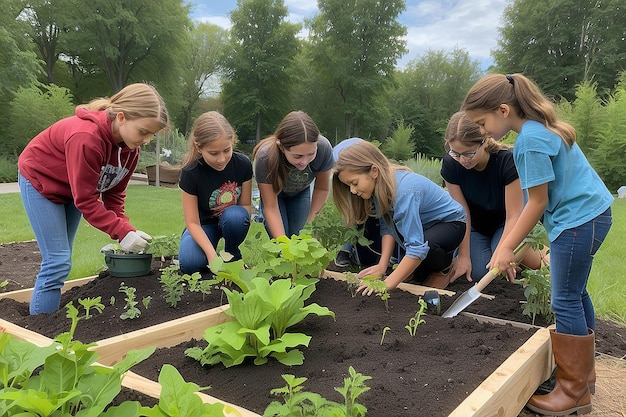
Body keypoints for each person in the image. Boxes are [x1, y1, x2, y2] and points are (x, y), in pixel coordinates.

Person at [462, 73, 613, 416]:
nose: (482, 132)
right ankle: (583, 380)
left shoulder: (529, 141)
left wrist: (504, 247)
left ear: (503, 110)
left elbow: (537, 202)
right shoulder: (541, 128)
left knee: (564, 299)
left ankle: (572, 393)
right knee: (576, 294)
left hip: (577, 222)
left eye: (482, 123)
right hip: (592, 214)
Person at [18, 83, 169, 315]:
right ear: (121, 118)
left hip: (73, 189)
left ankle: (45, 325)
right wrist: (120, 231)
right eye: (143, 131)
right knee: (56, 262)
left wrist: (126, 228)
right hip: (40, 180)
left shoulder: (130, 149)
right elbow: (86, 201)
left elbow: (113, 193)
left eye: (151, 134)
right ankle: (40, 334)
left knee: (61, 260)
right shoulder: (86, 138)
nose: (147, 139)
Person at [332, 140, 466, 291]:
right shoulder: (379, 188)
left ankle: (443, 268)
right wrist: (382, 266)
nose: (352, 191)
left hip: (451, 223)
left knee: (427, 245)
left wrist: (387, 284)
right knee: (406, 239)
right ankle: (421, 272)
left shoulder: (404, 192)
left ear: (374, 171)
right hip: (424, 225)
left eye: (354, 183)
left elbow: (416, 247)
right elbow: (387, 228)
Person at [442, 111, 544, 283]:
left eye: (468, 153)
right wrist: (464, 256)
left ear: (485, 142)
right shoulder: (451, 164)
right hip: (477, 226)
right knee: (478, 273)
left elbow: (514, 215)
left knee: (497, 269)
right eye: (455, 153)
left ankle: (535, 252)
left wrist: (505, 250)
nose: (462, 160)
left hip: (508, 223)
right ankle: (507, 253)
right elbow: (462, 212)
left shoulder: (507, 162)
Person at [178, 111, 252, 273]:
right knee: (190, 263)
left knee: (236, 216)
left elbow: (245, 205)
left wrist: (238, 229)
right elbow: (192, 222)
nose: (221, 159)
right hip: (203, 225)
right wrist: (212, 256)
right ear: (199, 147)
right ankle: (205, 249)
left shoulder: (243, 165)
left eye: (226, 150)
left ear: (232, 141)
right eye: (213, 153)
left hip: (231, 220)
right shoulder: (190, 172)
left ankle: (232, 253)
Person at [252, 111, 334, 239]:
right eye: (298, 156)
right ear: (282, 147)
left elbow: (321, 189)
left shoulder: (324, 148)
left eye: (311, 154)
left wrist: (310, 225)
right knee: (281, 241)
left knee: (300, 236)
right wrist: (283, 245)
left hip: (300, 193)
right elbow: (271, 207)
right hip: (275, 196)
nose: (304, 162)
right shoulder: (265, 157)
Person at [332, 138, 394, 269]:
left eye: (354, 184)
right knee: (357, 213)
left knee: (379, 215)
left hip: (360, 166)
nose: (352, 190)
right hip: (347, 167)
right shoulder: (345, 174)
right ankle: (346, 248)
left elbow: (387, 224)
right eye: (350, 185)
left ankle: (390, 256)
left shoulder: (386, 181)